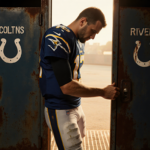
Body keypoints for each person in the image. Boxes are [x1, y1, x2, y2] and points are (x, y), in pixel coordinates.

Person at [39, 7, 120, 150]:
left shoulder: (78, 41)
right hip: (60, 107)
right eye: (93, 31)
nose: (93, 36)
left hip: (76, 105)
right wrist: (102, 92)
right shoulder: (57, 35)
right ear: (83, 21)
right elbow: (66, 86)